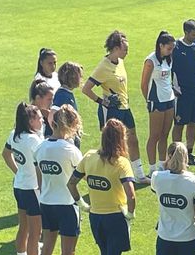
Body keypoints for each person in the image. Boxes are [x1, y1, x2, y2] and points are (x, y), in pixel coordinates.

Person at [67, 119, 136, 255]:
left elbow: (71, 183)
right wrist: (130, 214)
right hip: (115, 218)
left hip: (96, 217)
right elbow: (131, 195)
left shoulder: (89, 156)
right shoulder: (121, 163)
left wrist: (81, 203)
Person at [35, 105, 92, 255]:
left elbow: (39, 177)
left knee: (47, 246)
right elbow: (83, 176)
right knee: (68, 252)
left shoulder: (41, 147)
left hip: (46, 203)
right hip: (67, 206)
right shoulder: (71, 151)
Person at [82, 30, 148, 183]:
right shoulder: (103, 67)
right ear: (116, 48)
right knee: (112, 145)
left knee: (133, 139)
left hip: (125, 107)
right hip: (112, 110)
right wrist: (102, 101)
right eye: (125, 49)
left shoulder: (120, 61)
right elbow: (86, 89)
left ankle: (139, 175)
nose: (127, 52)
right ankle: (111, 176)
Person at [2, 102, 45, 255]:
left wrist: (18, 172)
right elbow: (40, 166)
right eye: (39, 118)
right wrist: (43, 190)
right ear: (30, 121)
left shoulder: (15, 135)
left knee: (23, 227)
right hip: (33, 189)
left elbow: (5, 154)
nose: (42, 120)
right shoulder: (34, 140)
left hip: (19, 187)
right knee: (36, 232)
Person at [171, 19, 195, 166]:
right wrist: (172, 86)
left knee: (193, 123)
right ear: (186, 32)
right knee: (179, 124)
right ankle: (176, 155)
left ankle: (189, 153)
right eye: (194, 34)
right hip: (181, 92)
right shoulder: (176, 47)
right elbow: (168, 67)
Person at [141, 31, 176, 175]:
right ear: (160, 46)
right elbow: (144, 84)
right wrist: (149, 100)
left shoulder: (168, 58)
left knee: (165, 134)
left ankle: (162, 166)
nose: (171, 51)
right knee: (154, 135)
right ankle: (152, 169)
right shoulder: (151, 61)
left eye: (172, 48)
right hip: (156, 101)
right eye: (169, 48)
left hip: (169, 99)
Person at [53, 62, 84, 148]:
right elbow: (52, 115)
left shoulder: (67, 93)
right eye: (79, 75)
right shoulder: (62, 95)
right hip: (67, 141)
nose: (81, 78)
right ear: (72, 77)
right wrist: (63, 137)